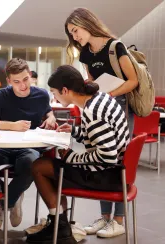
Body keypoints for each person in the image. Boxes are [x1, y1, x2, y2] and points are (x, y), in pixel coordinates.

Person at [26, 65, 130, 243]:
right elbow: (102, 137)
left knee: (39, 167)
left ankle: (59, 227)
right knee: (51, 166)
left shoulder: (93, 111)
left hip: (106, 175)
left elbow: (107, 155)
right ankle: (59, 223)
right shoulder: (100, 98)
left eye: (54, 92)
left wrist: (71, 157)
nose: (53, 97)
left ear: (65, 90)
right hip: (117, 171)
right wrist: (75, 131)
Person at [65, 7, 138, 237]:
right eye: (72, 34)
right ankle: (105, 217)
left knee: (118, 160)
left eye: (76, 31)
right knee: (99, 158)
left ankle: (118, 219)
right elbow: (92, 82)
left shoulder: (116, 47)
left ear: (86, 23)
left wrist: (110, 95)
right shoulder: (85, 53)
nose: (75, 37)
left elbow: (133, 80)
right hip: (98, 110)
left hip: (121, 108)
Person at [0, 58, 56, 229]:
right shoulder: (0, 96)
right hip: (3, 147)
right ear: (9, 81)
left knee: (31, 164)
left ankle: (5, 203)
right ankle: (15, 196)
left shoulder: (41, 95)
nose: (23, 86)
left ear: (31, 76)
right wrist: (12, 126)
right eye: (17, 82)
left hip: (29, 147)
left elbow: (48, 111)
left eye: (26, 79)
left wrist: (51, 117)